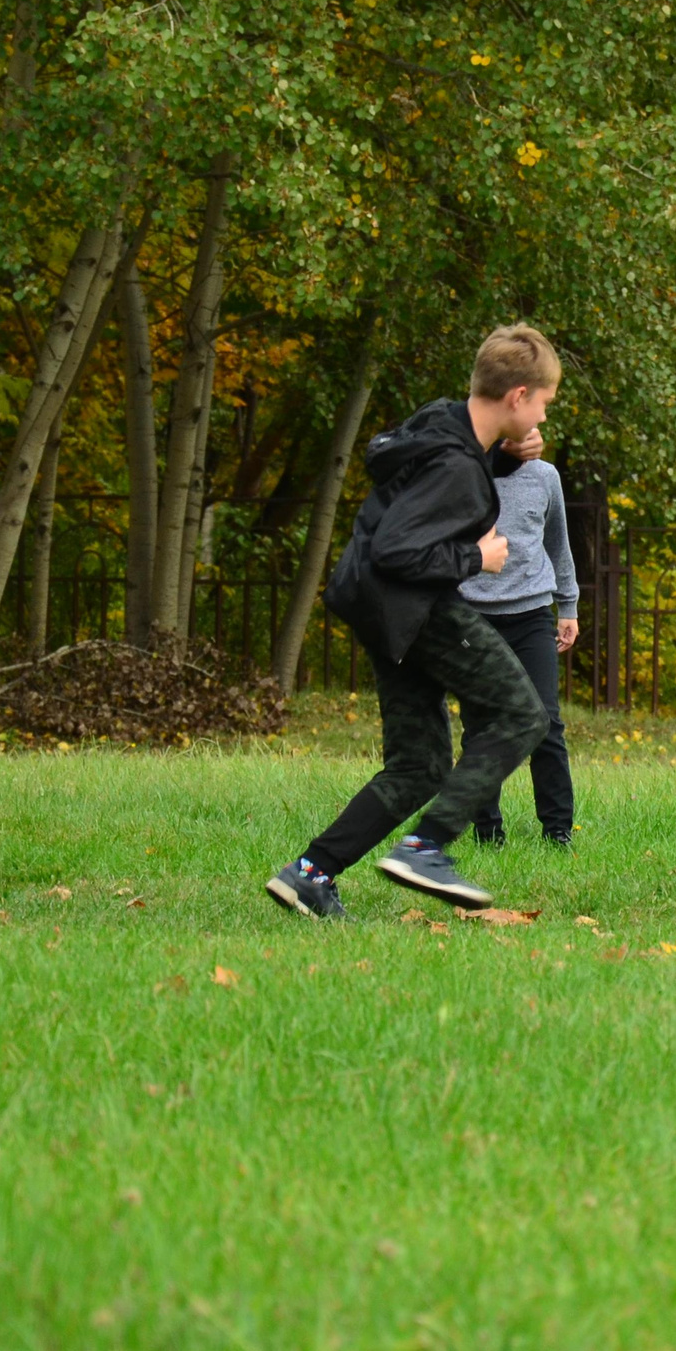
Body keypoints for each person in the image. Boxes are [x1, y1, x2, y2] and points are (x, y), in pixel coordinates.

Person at [266, 325, 558, 918]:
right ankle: (426, 848)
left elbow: (426, 488)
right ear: (518, 396)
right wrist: (480, 557)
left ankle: (309, 873)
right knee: (523, 713)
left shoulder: (440, 423)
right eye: (544, 403)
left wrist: (500, 457)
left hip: (377, 609)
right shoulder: (455, 464)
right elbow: (398, 550)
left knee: (419, 765)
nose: (542, 417)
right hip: (414, 608)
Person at [423, 429, 580, 846]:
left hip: (531, 615)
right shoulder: (466, 476)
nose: (530, 433)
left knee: (545, 723)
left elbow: (557, 543)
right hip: (473, 616)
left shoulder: (545, 477)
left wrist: (568, 605)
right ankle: (487, 831)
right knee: (480, 727)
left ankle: (558, 831)